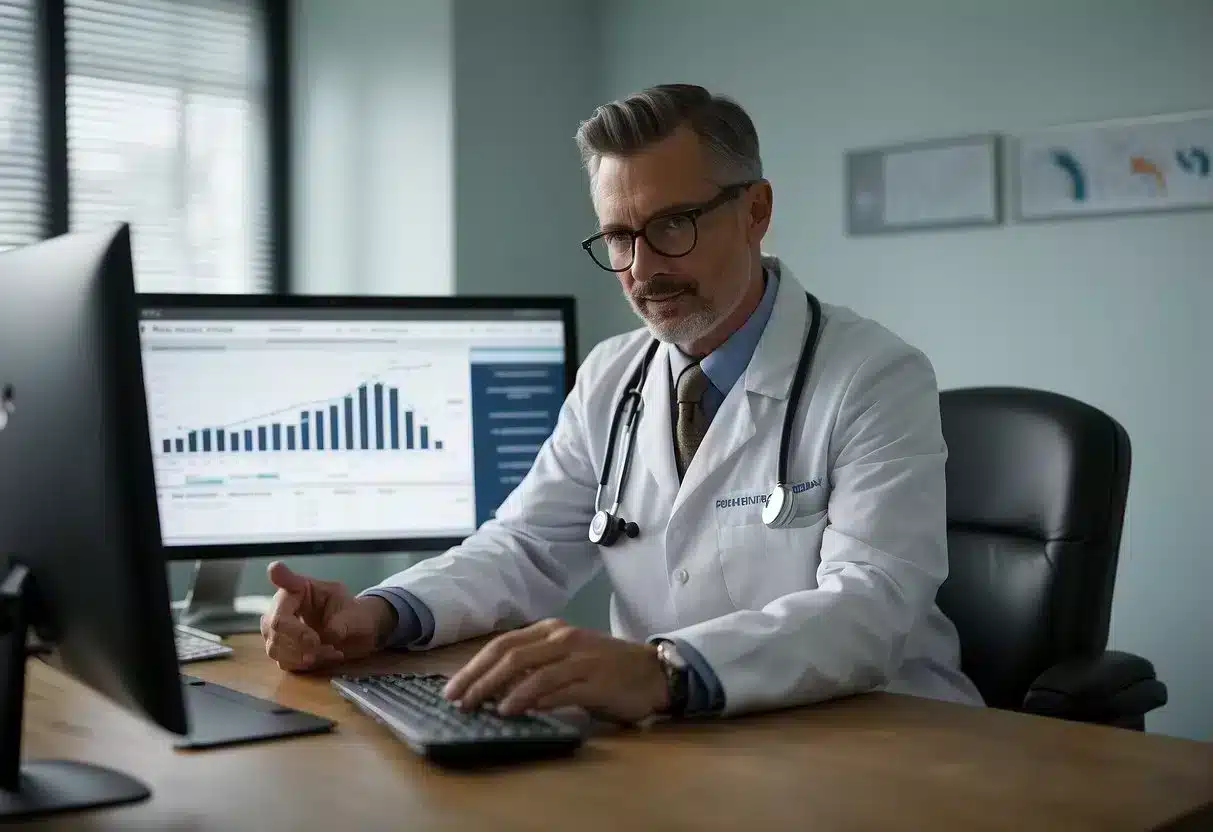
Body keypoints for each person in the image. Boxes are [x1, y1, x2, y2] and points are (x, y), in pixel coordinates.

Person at [260, 83, 983, 723]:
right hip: (682, 742)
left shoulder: (872, 376)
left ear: (755, 211)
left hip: (877, 735)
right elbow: (525, 548)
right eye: (617, 236)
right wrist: (376, 614)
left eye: (673, 226)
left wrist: (665, 667)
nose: (642, 270)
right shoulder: (613, 374)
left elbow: (871, 604)